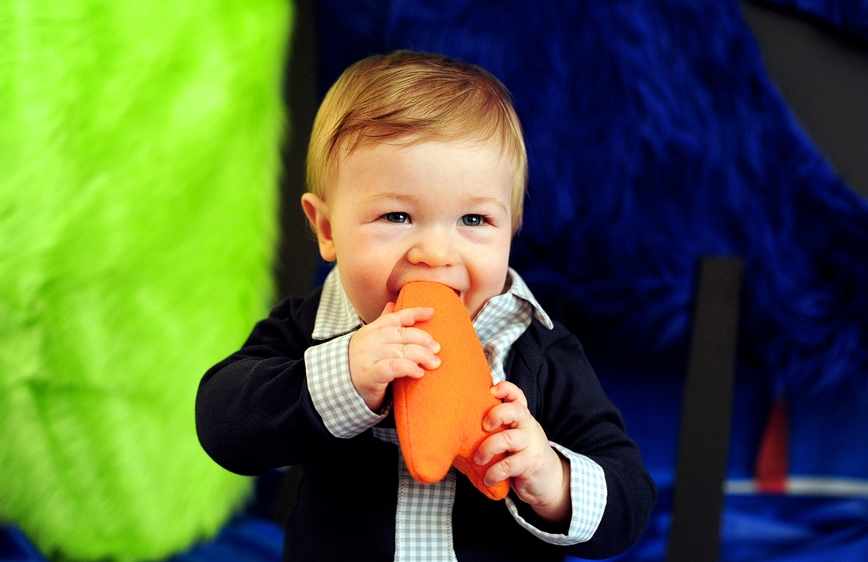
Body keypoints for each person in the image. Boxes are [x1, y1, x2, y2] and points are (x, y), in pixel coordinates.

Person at [195, 50, 656, 561]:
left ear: (512, 227)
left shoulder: (537, 349)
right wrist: (343, 376)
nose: (435, 253)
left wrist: (552, 478)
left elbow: (632, 499)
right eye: (396, 216)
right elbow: (222, 425)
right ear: (327, 229)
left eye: (474, 221)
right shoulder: (308, 333)